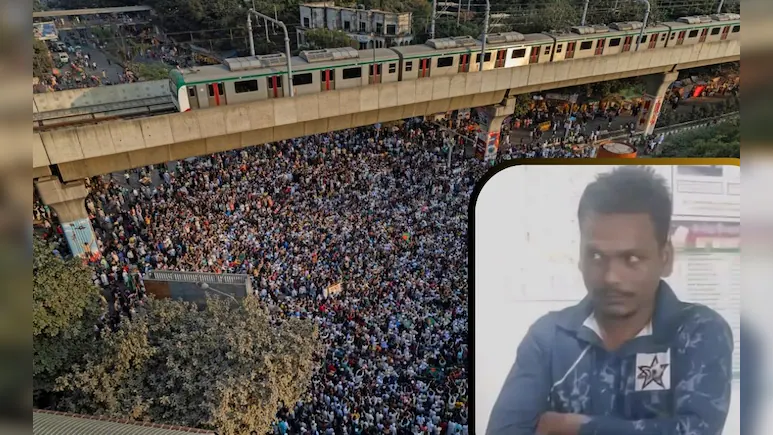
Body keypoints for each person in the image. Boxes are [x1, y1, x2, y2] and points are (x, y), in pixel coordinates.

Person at [487, 166, 733, 435]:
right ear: (580, 257)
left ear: (665, 258)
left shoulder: (698, 332)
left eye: (632, 259)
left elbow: (697, 430)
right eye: (596, 256)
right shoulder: (549, 337)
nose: (611, 277)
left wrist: (575, 427)